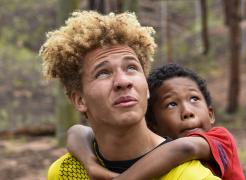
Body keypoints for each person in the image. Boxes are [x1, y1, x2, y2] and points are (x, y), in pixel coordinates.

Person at [40, 10, 219, 180]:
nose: (123, 81)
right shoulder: (65, 173)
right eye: (103, 73)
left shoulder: (193, 177)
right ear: (80, 100)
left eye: (131, 68)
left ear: (147, 88)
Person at [67, 64, 245, 180]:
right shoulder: (156, 154)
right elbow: (77, 131)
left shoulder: (222, 139)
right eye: (171, 104)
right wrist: (89, 163)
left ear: (211, 113)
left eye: (194, 99)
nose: (187, 112)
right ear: (152, 124)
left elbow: (184, 148)